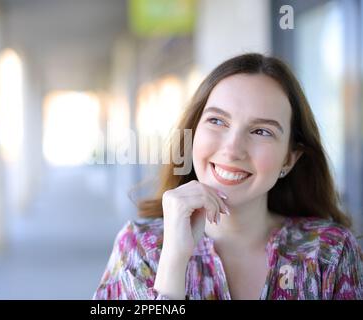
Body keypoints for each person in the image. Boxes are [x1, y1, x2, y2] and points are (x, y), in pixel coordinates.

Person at [93, 53, 363, 300]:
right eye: (217, 121)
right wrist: (174, 259)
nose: (232, 149)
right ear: (193, 134)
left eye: (261, 131)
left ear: (289, 159)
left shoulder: (329, 252)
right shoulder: (139, 247)